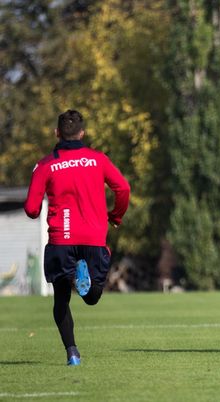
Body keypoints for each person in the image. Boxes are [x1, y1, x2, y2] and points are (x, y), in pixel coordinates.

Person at [24, 110, 130, 365]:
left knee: (61, 298)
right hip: (93, 237)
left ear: (57, 133)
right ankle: (84, 281)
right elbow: (123, 188)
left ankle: (72, 352)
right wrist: (115, 216)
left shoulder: (45, 165)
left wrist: (39, 210)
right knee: (92, 298)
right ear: (82, 133)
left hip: (62, 238)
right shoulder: (98, 159)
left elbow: (31, 209)